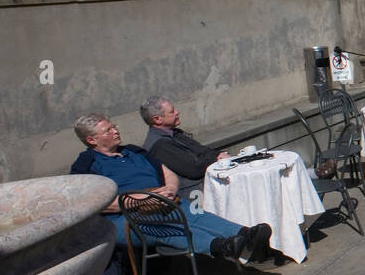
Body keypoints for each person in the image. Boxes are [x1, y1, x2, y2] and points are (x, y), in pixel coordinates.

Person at [70, 113, 271, 265]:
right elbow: (90, 203)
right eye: (108, 130)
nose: (115, 131)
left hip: (162, 200)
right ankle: (221, 247)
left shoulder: (133, 151)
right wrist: (142, 199)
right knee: (169, 227)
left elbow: (167, 171)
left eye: (114, 126)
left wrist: (169, 189)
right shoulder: (86, 164)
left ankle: (247, 235)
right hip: (125, 218)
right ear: (92, 140)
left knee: (196, 214)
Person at [140, 96, 229, 199]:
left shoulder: (174, 133)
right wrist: (216, 158)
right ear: (157, 119)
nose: (177, 112)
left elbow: (202, 150)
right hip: (194, 195)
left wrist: (219, 154)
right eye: (172, 111)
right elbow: (194, 169)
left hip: (207, 182)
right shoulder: (160, 145)